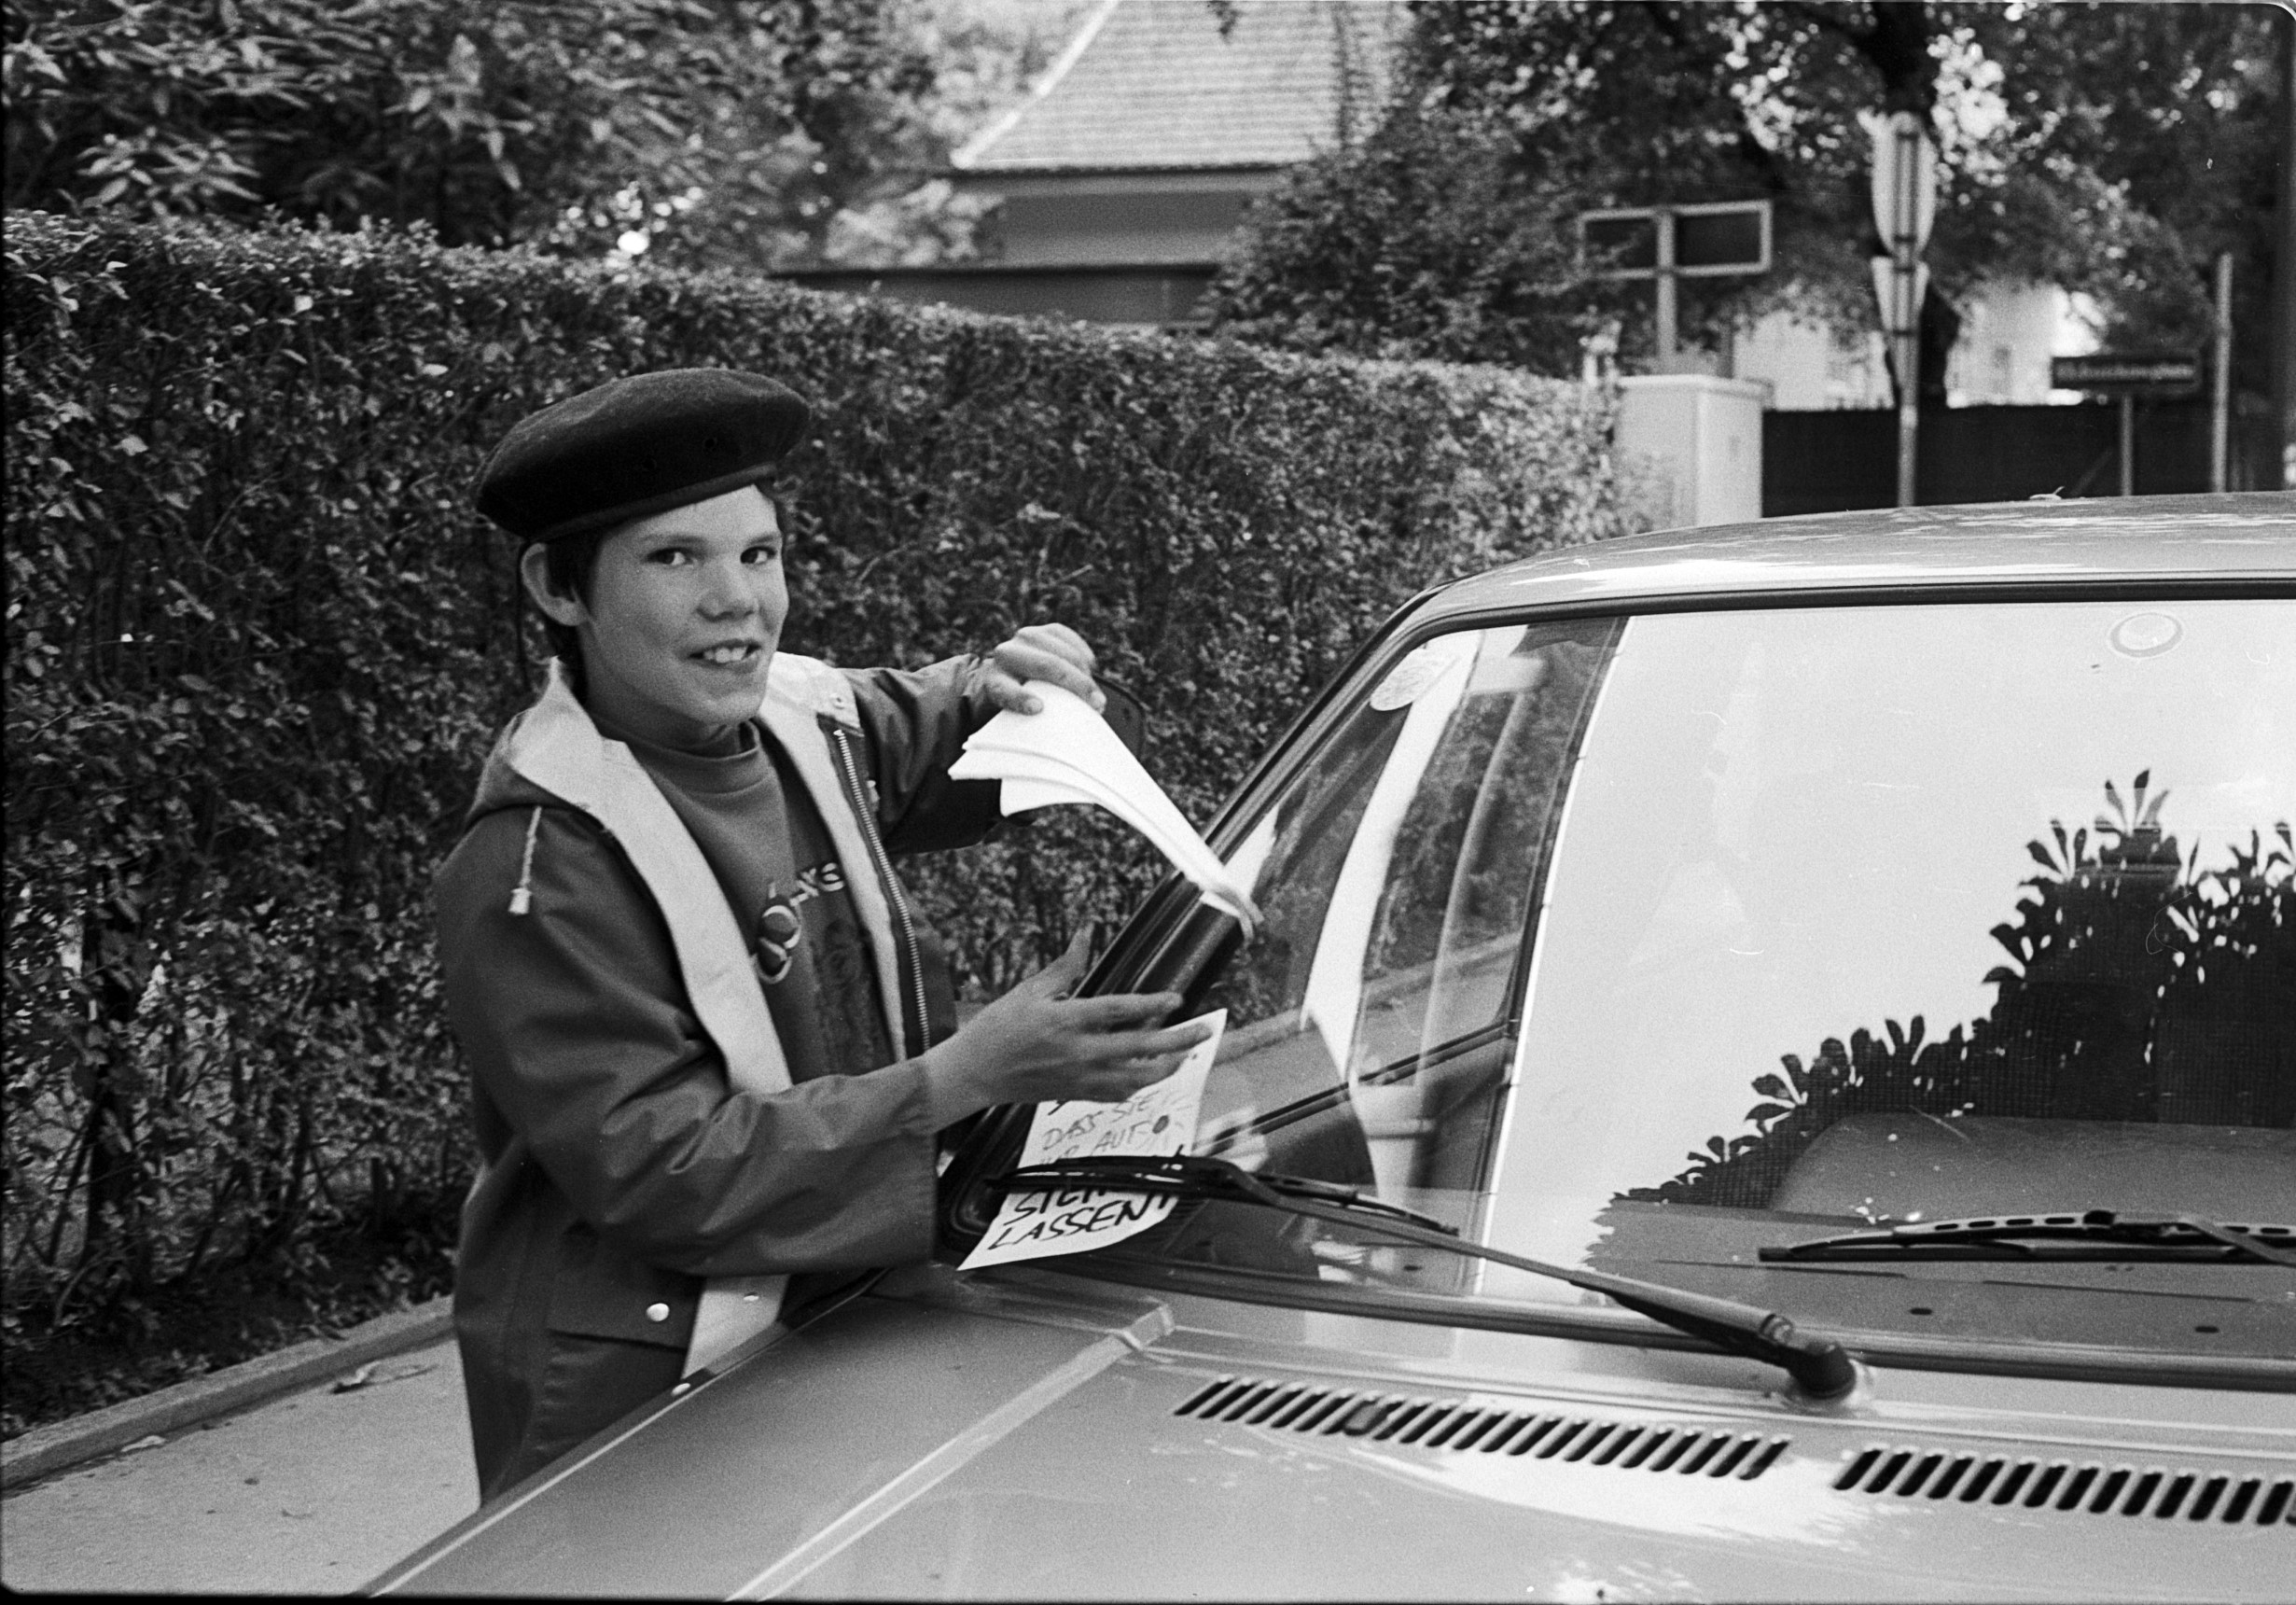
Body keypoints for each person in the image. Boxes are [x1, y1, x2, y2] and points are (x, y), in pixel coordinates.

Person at [435, 368, 1208, 1502]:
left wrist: (1036, 680)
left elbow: (965, 719)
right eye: (674, 557)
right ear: (559, 588)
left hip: (846, 1322)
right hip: (644, 1393)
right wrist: (966, 1075)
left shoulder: (808, 716)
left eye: (759, 553)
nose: (735, 600)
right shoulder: (532, 864)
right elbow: (668, 1175)